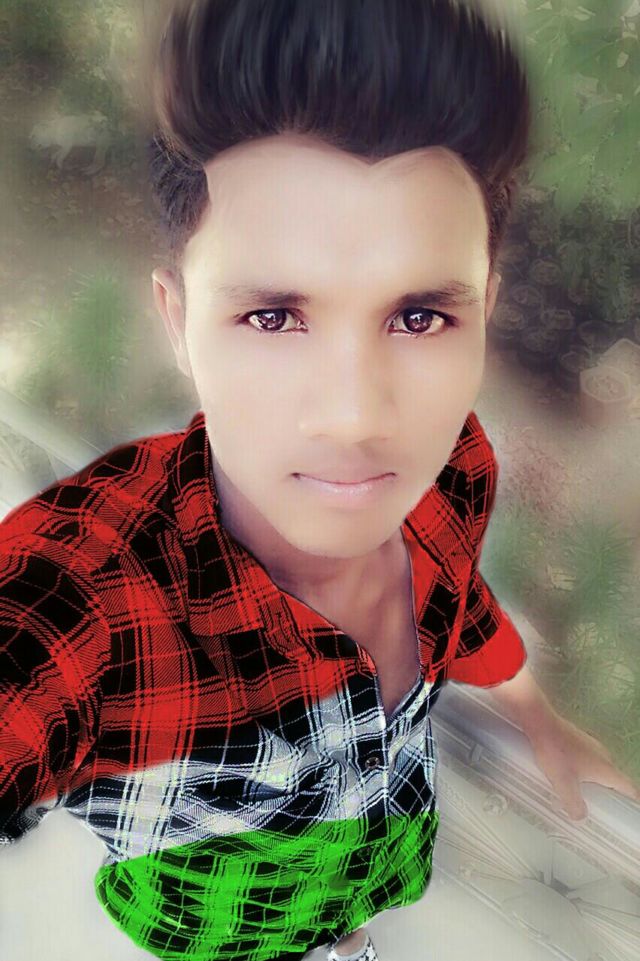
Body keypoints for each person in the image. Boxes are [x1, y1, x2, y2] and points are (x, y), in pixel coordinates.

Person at [2, 1, 639, 960]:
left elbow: (460, 600)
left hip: (370, 883)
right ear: (177, 323)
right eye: (273, 317)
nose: (355, 417)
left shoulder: (452, 470)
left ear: (485, 312)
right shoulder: (92, 597)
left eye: (420, 317)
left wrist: (533, 714)